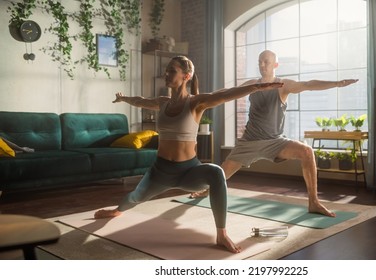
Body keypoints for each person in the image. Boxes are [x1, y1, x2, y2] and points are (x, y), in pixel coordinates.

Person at [94, 55, 283, 254]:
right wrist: (123, 98)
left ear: (186, 76)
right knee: (133, 198)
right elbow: (141, 101)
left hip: (188, 172)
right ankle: (116, 211)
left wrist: (257, 87)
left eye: (172, 71)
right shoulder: (163, 102)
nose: (167, 74)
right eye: (167, 70)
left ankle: (221, 234)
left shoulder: (196, 103)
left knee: (216, 173)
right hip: (160, 172)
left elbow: (227, 94)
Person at [190, 50, 358, 217]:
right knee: (222, 173)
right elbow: (227, 92)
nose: (262, 65)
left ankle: (313, 202)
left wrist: (337, 83)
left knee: (307, 151)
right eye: (260, 62)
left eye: (266, 62)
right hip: (249, 141)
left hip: (274, 142)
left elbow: (308, 85)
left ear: (275, 65)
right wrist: (203, 98)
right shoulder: (252, 84)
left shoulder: (283, 85)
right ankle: (206, 191)